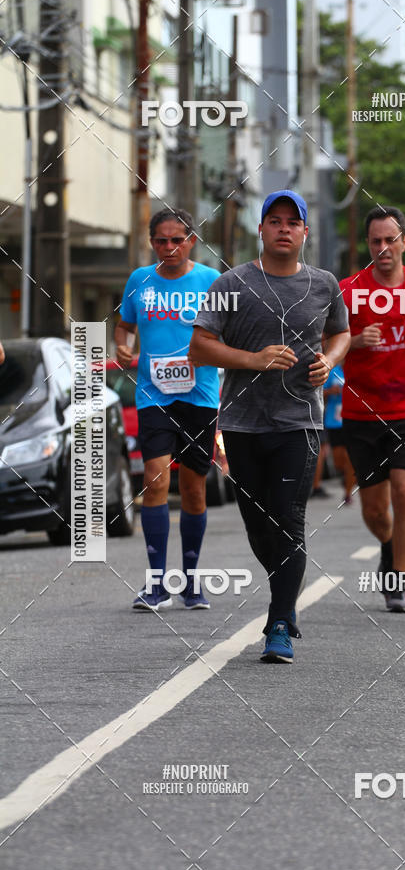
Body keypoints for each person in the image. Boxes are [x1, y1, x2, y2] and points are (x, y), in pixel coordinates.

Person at [189, 190, 350, 663]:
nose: (283, 228)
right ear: (260, 230)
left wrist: (330, 361)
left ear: (304, 232)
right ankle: (284, 589)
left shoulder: (324, 284)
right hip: (242, 422)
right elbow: (200, 347)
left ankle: (280, 621)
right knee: (259, 526)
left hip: (299, 422)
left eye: (292, 222)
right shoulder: (231, 282)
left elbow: (340, 333)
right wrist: (253, 360)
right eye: (274, 221)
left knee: (288, 519)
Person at [115, 208, 220, 611]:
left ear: (192, 240)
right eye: (161, 240)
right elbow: (124, 325)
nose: (169, 248)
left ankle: (191, 583)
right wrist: (122, 346)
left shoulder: (211, 282)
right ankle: (157, 584)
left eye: (178, 240)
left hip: (200, 395)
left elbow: (228, 331)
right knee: (156, 482)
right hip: (153, 395)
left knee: (194, 489)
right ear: (151, 241)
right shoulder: (139, 281)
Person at [340, 205, 405, 613]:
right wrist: (353, 341)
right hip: (362, 411)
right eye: (375, 241)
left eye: (390, 239)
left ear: (404, 241)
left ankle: (397, 578)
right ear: (368, 244)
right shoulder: (348, 290)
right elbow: (324, 344)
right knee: (374, 510)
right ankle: (388, 545)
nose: (383, 248)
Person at [323, 364, 355, 504]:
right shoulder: (333, 371)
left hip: (352, 420)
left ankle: (348, 493)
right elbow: (319, 392)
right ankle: (346, 477)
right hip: (334, 420)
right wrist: (331, 391)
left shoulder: (356, 369)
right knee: (338, 461)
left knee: (350, 459)